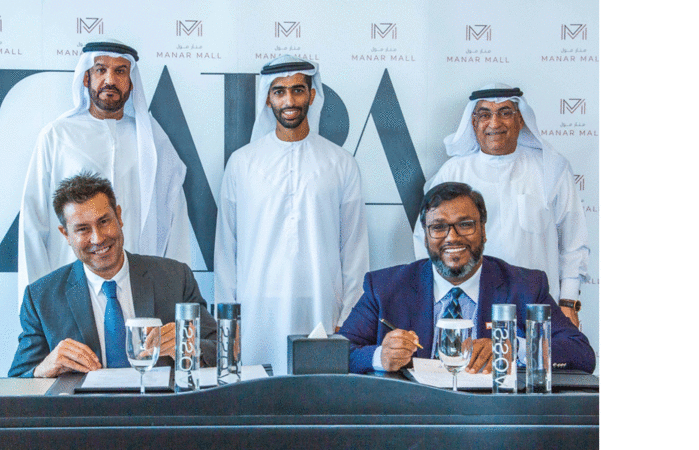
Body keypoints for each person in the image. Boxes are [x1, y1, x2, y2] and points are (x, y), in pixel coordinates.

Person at [214, 55, 369, 375]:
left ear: (312, 95)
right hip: (256, 314)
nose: (289, 100)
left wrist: (348, 319)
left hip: (322, 309)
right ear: (267, 98)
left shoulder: (341, 163)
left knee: (318, 396)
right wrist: (228, 325)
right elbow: (226, 250)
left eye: (298, 90)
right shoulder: (242, 163)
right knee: (258, 395)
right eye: (279, 91)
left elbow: (354, 250)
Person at [340, 182, 595, 375]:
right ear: (425, 236)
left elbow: (581, 353)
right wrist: (380, 356)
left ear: (483, 230)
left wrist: (512, 347)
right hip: (413, 418)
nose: (452, 237)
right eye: (438, 227)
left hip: (493, 418)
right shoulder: (385, 287)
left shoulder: (524, 286)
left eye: (465, 225)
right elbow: (338, 353)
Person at [18, 39, 190, 305]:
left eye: (120, 71)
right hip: (72, 290)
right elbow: (33, 222)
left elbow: (175, 223)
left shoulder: (154, 141)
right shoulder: (57, 136)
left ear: (131, 83)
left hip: (140, 287)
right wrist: (39, 306)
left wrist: (177, 295)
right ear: (86, 77)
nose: (110, 80)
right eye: (101, 70)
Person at [412, 83, 589, 327]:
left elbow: (573, 241)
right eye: (485, 115)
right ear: (474, 122)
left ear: (520, 120)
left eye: (505, 113)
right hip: (469, 306)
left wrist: (568, 302)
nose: (494, 123)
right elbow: (426, 240)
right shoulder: (453, 172)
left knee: (536, 353)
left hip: (535, 305)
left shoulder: (551, 169)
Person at [9, 172, 216, 378]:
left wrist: (190, 347)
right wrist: (42, 369)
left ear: (118, 216)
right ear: (66, 234)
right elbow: (17, 380)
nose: (98, 238)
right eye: (83, 229)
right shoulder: (41, 298)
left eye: (104, 221)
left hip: (160, 399)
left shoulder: (175, 278)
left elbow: (220, 349)